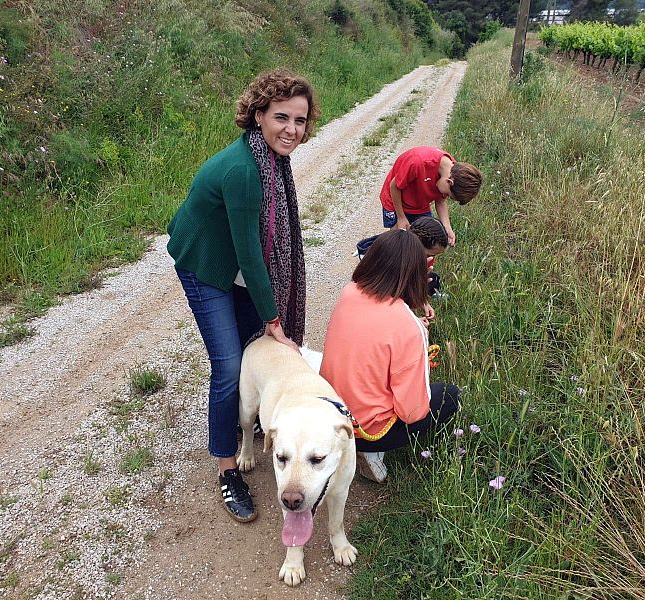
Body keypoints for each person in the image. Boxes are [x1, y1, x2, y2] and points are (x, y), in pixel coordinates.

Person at [166, 69, 319, 522]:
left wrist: (268, 320)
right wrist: (276, 321)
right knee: (231, 365)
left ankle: (247, 419)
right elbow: (251, 257)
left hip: (234, 262)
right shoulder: (243, 171)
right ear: (258, 116)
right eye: (281, 117)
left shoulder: (273, 161)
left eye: (300, 120)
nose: (292, 129)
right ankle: (228, 468)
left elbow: (257, 249)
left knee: (257, 348)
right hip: (206, 263)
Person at [320, 229, 460, 483]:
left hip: (328, 412)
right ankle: (371, 452)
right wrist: (419, 341)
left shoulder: (349, 292)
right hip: (367, 430)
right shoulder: (407, 326)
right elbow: (412, 412)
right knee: (448, 396)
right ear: (416, 274)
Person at [355, 216, 449, 325]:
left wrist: (422, 301)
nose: (429, 259)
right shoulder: (390, 263)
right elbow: (384, 310)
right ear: (416, 243)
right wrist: (412, 323)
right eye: (428, 255)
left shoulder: (404, 252)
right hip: (370, 320)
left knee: (433, 279)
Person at [380, 146, 482, 245]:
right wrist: (401, 217)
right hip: (394, 200)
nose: (444, 196)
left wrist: (447, 228)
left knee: (425, 242)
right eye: (447, 194)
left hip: (419, 203)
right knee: (399, 243)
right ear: (449, 182)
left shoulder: (456, 173)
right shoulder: (418, 162)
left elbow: (440, 201)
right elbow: (394, 186)